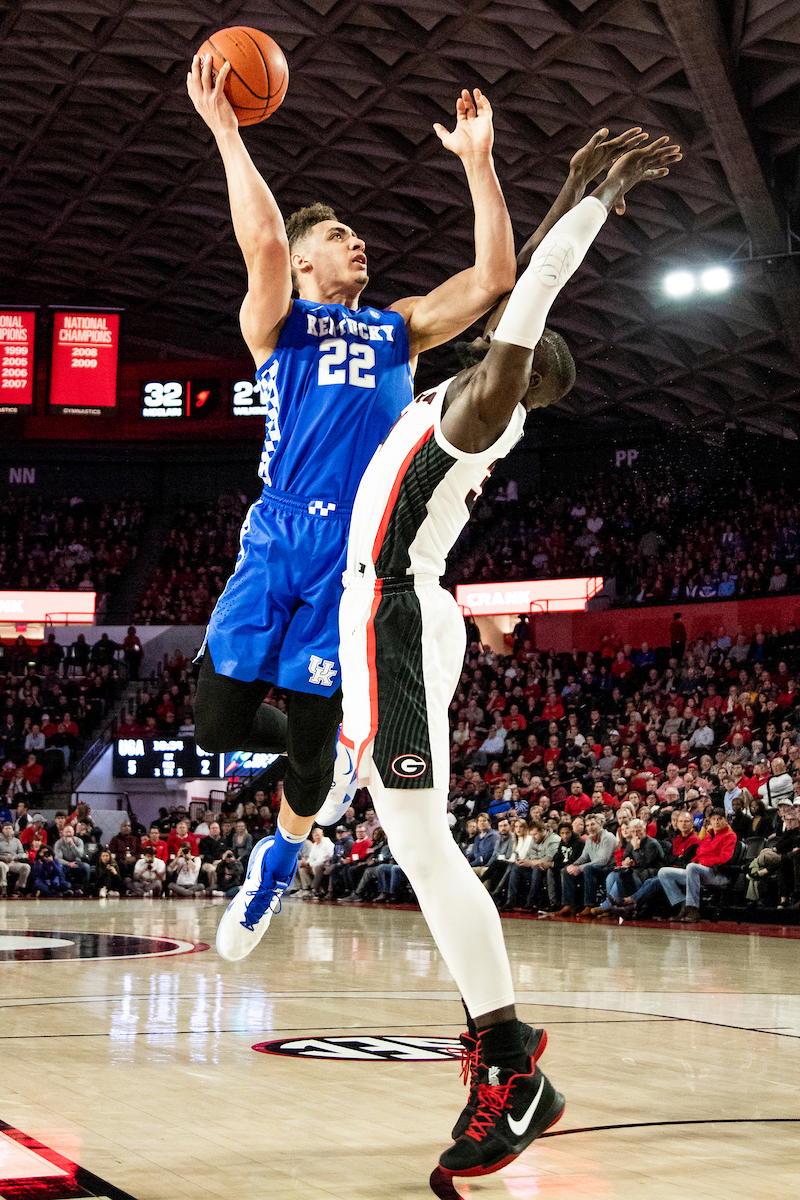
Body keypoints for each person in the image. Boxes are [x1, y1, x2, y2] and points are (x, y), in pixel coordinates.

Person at [329, 130, 679, 1176]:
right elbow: (512, 295)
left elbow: (526, 306)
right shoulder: (453, 396)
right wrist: (565, 184)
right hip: (379, 613)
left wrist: (587, 210)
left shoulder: (480, 417)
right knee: (406, 834)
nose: (494, 347)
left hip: (394, 613)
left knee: (423, 844)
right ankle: (509, 1054)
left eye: (510, 357)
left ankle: (510, 1061)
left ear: (517, 381)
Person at [188, 56, 519, 946]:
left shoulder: (397, 326)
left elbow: (491, 280)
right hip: (278, 532)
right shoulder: (278, 322)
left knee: (308, 732)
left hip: (357, 552)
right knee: (215, 722)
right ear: (302, 261)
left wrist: (478, 163)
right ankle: (327, 746)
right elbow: (259, 244)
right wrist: (227, 130)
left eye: (357, 234)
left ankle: (279, 860)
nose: (358, 243)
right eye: (338, 235)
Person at [655, 809, 737, 922]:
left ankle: (693, 909)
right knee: (664, 872)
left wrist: (703, 862)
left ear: (725, 820)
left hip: (717, 873)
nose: (716, 821)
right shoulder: (708, 836)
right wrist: (694, 861)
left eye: (719, 819)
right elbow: (699, 854)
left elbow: (724, 859)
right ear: (710, 821)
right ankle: (682, 904)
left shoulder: (730, 835)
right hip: (699, 871)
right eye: (713, 819)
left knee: (692, 868)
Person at [0, 821, 31, 897]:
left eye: (10, 828)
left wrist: (15, 857)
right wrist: (4, 858)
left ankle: (18, 889)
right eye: (6, 828)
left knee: (26, 867)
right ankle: (3, 888)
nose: (8, 830)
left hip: (13, 862)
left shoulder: (16, 841)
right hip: (2, 861)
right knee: (2, 866)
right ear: (2, 830)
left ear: (12, 830)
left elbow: (22, 853)